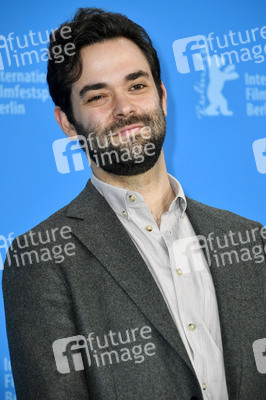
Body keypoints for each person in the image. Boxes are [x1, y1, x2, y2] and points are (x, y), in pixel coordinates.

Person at [2, 7, 265, 400]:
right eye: (97, 95)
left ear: (161, 95)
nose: (124, 108)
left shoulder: (250, 239)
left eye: (136, 86)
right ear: (67, 123)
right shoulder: (39, 259)